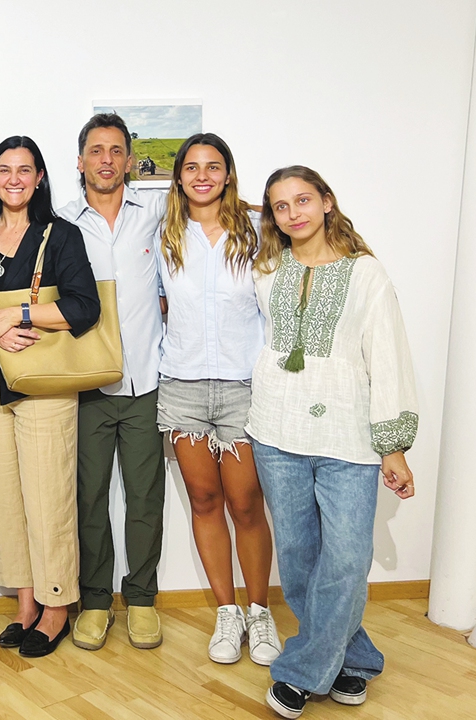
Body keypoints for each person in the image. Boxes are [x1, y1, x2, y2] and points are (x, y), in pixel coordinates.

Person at [249, 166, 417, 719]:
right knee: (299, 559)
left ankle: (301, 672)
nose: (292, 213)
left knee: (346, 559)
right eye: (280, 206)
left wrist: (392, 445)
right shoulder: (266, 270)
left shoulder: (365, 273)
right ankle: (352, 657)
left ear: (326, 202)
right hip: (276, 431)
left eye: (302, 200)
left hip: (348, 436)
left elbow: (387, 356)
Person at [0, 136, 100, 658]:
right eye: (5, 169)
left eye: (25, 170)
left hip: (43, 381)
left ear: (40, 177)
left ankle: (56, 605)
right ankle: (25, 603)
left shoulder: (60, 235)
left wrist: (15, 315)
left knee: (49, 498)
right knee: (3, 498)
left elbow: (85, 307)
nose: (14, 179)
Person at [155, 133, 282, 666]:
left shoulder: (257, 230)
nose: (202, 176)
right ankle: (227, 614)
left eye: (213, 166)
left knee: (247, 504)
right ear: (179, 176)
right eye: (192, 167)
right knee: (204, 501)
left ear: (228, 173)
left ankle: (260, 611)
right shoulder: (165, 233)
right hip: (182, 386)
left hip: (243, 388)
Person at [57, 113, 167, 652]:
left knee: (146, 499)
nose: (106, 160)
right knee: (88, 499)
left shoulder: (157, 213)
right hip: (86, 385)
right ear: (80, 161)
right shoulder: (60, 221)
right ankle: (96, 601)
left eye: (116, 150)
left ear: (129, 161)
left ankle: (141, 600)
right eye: (96, 150)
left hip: (147, 380)